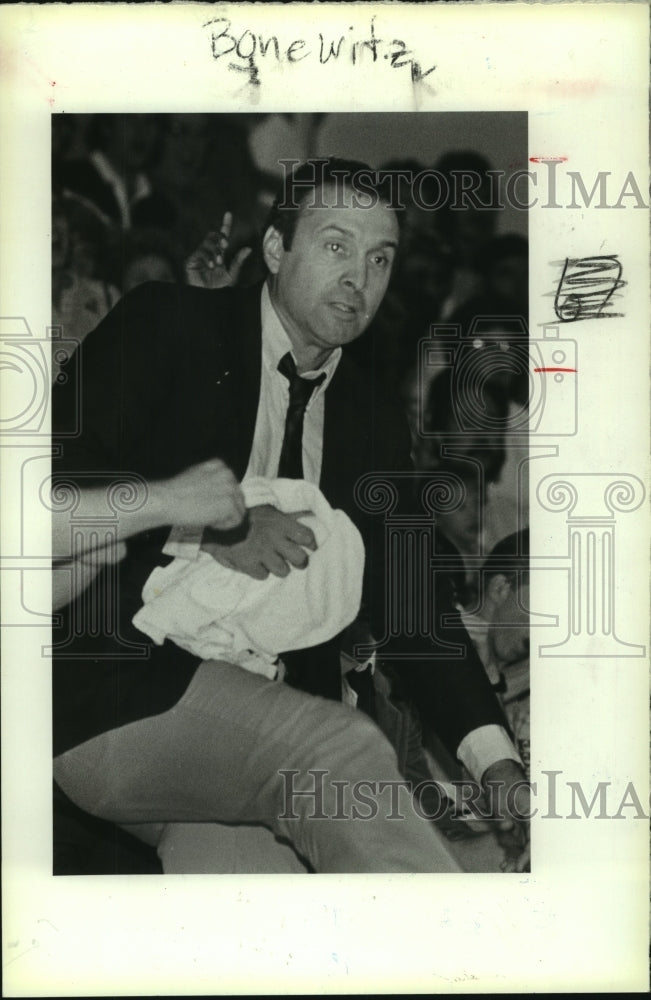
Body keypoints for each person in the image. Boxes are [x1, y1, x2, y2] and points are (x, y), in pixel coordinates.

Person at [51, 157, 525, 873]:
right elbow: (53, 486)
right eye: (336, 245)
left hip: (249, 739)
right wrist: (206, 529)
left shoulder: (372, 421)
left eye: (379, 258)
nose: (357, 277)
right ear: (275, 250)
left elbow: (413, 608)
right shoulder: (168, 324)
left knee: (278, 921)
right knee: (343, 747)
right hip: (115, 693)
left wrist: (495, 765)